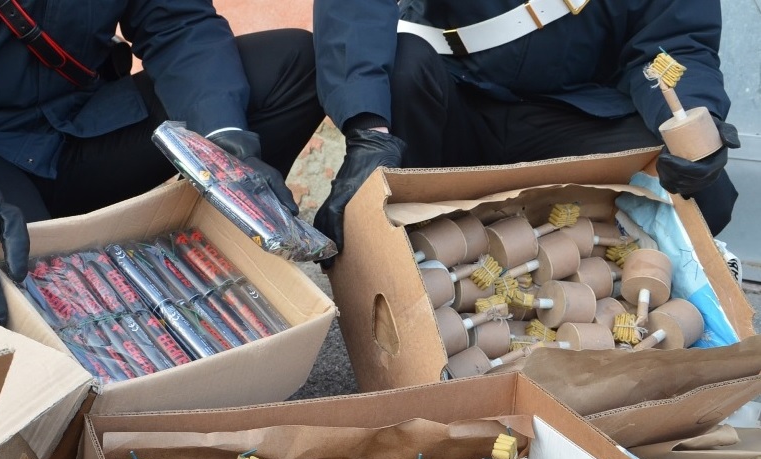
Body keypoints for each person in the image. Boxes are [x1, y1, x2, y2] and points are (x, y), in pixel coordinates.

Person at [0, 0, 323, 325]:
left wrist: (224, 145)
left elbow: (178, 24)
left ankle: (202, 270)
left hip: (80, 127)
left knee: (290, 65)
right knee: (34, 299)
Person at [312, 0, 739, 268]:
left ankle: (610, 271)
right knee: (402, 71)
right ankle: (399, 267)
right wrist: (369, 130)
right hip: (450, 98)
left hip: (572, 114)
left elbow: (674, 44)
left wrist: (692, 122)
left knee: (693, 186)